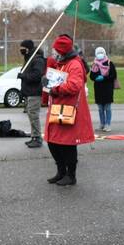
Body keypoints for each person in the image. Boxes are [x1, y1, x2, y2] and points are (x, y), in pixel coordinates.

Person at [41, 34, 94, 187]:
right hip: (58, 108)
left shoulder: (74, 65)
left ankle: (71, 175)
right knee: (53, 142)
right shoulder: (62, 63)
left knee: (67, 144)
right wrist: (47, 82)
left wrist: (53, 88)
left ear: (62, 51)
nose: (53, 53)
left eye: (55, 50)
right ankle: (61, 172)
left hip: (68, 109)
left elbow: (74, 86)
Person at [17, 39, 46, 147]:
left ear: (28, 49)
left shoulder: (37, 60)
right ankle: (34, 136)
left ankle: (37, 138)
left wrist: (23, 76)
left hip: (35, 93)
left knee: (34, 115)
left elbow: (37, 76)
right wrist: (22, 92)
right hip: (29, 92)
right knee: (30, 115)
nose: (21, 51)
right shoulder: (28, 59)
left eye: (22, 49)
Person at [89, 47, 118, 133]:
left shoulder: (109, 63)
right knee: (100, 108)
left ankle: (108, 124)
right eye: (98, 53)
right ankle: (102, 124)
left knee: (107, 107)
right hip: (98, 89)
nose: (100, 54)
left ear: (104, 53)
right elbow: (91, 76)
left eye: (101, 52)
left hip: (107, 88)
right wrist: (96, 78)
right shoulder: (94, 64)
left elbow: (113, 75)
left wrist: (104, 78)